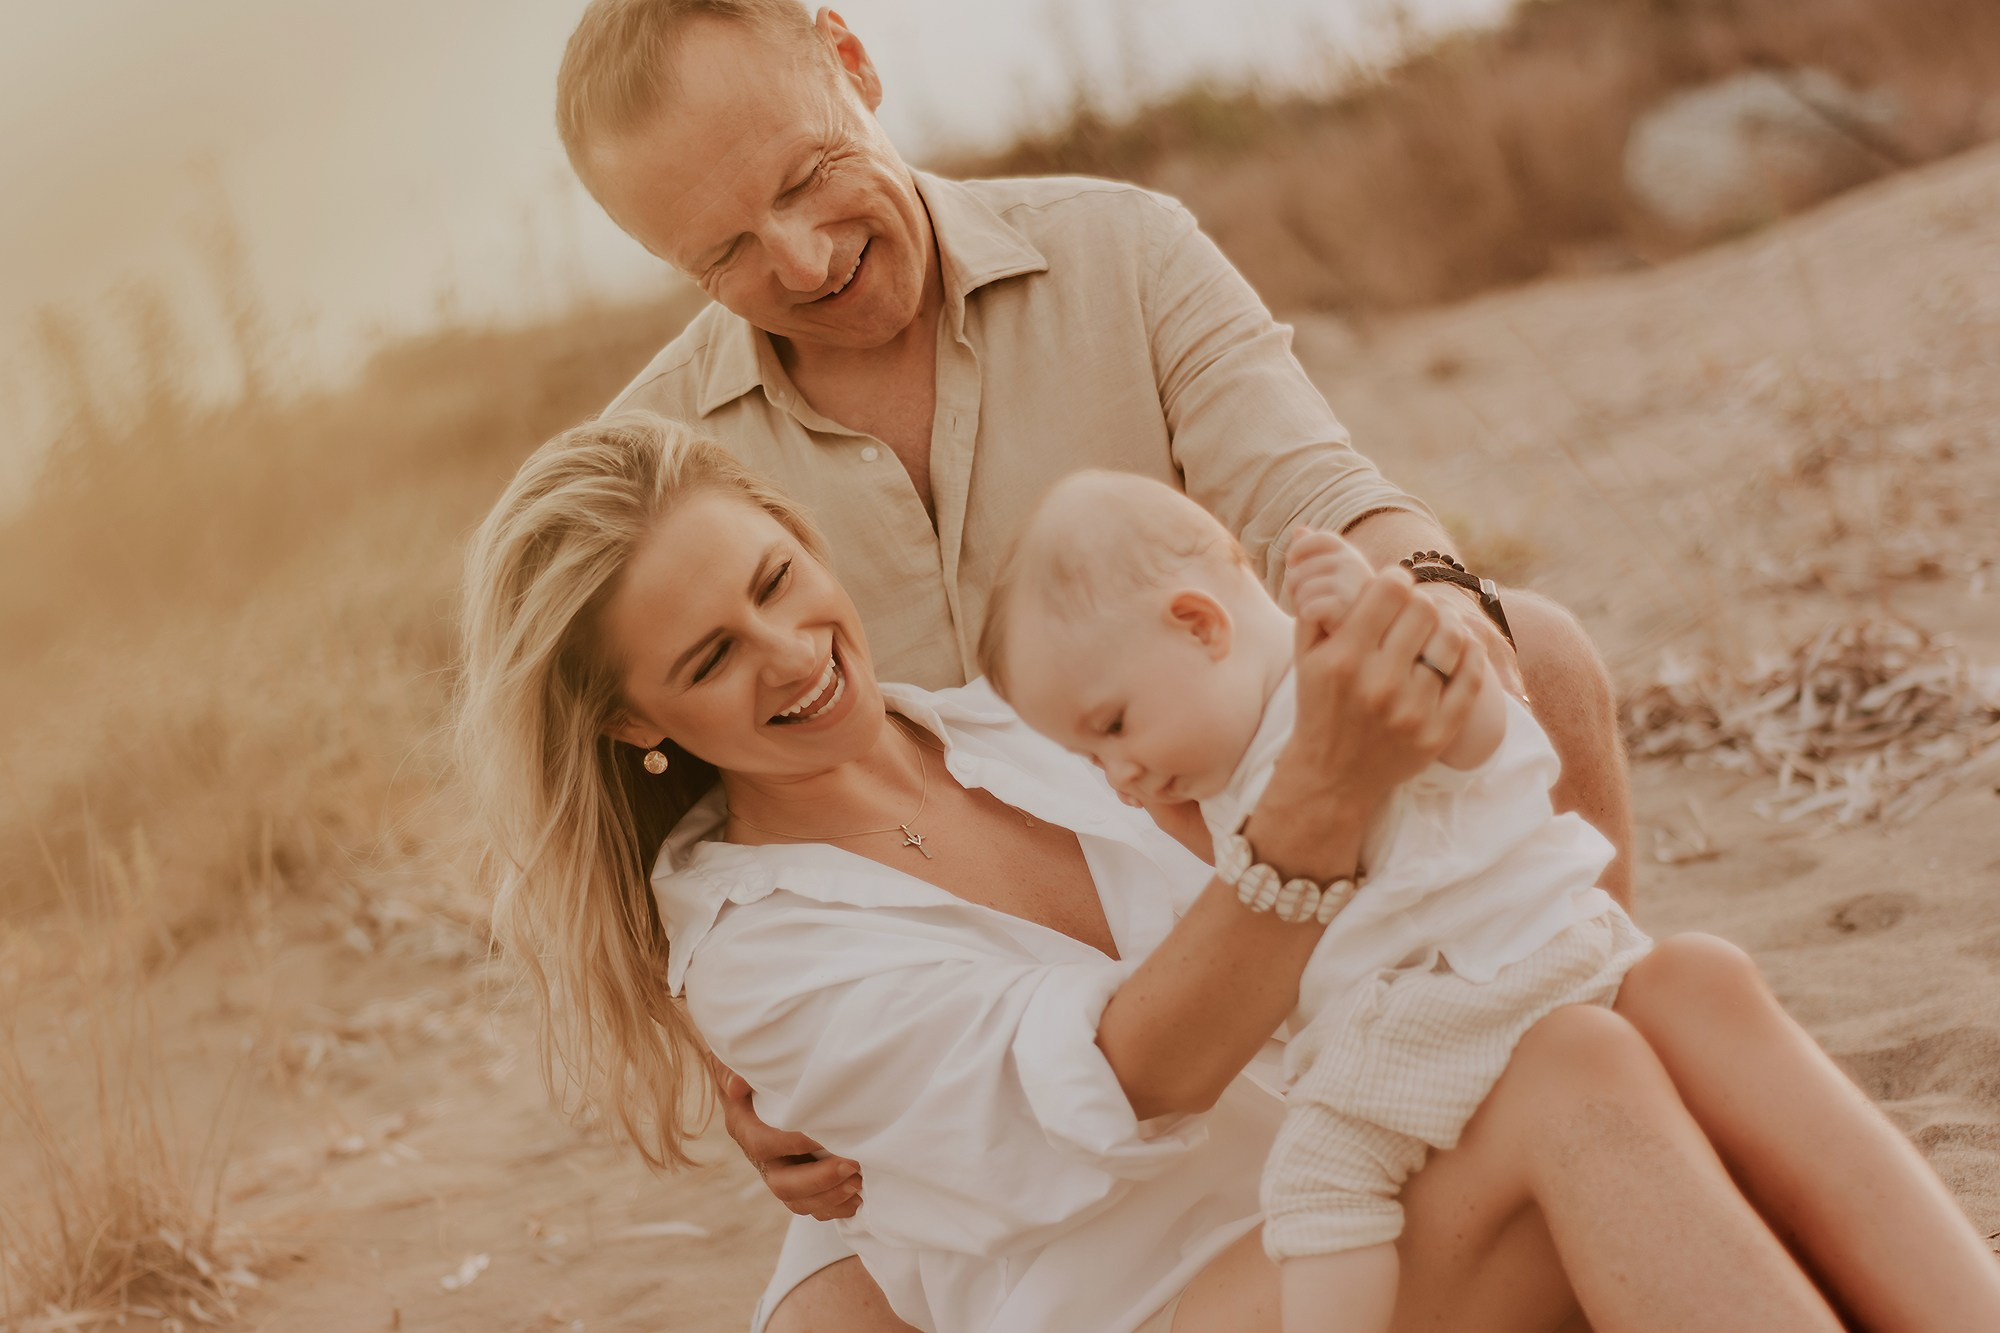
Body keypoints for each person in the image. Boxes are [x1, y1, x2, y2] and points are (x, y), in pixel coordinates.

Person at [456, 411, 2000, 1333]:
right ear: (633, 721)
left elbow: (1265, 722)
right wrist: (1320, 801)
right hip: (1171, 1299)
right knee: (1574, 1072)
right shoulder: (755, 948)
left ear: (802, 536)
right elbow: (1122, 1078)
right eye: (713, 658)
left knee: (1687, 983)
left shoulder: (1004, 725)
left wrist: (1359, 649)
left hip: (1350, 1196)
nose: (791, 652)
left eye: (778, 580)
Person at [551, 7, 1636, 1319]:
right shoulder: (662, 470)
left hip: (1221, 867)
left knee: (1537, 651)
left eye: (805, 175)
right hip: (974, 1046)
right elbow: (659, 826)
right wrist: (746, 1058)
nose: (802, 256)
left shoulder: (1120, 248)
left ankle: (1596, 1068)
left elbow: (1314, 492)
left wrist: (1436, 610)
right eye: (722, 251)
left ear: (850, 61)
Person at [980, 471, 1657, 1333]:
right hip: (1491, 973)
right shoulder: (1247, 753)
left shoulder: (1331, 691)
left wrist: (1398, 625)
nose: (1121, 775)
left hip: (1464, 991)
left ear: (1200, 625)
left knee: (1317, 1187)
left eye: (1113, 726)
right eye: (1092, 759)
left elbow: (1493, 742)